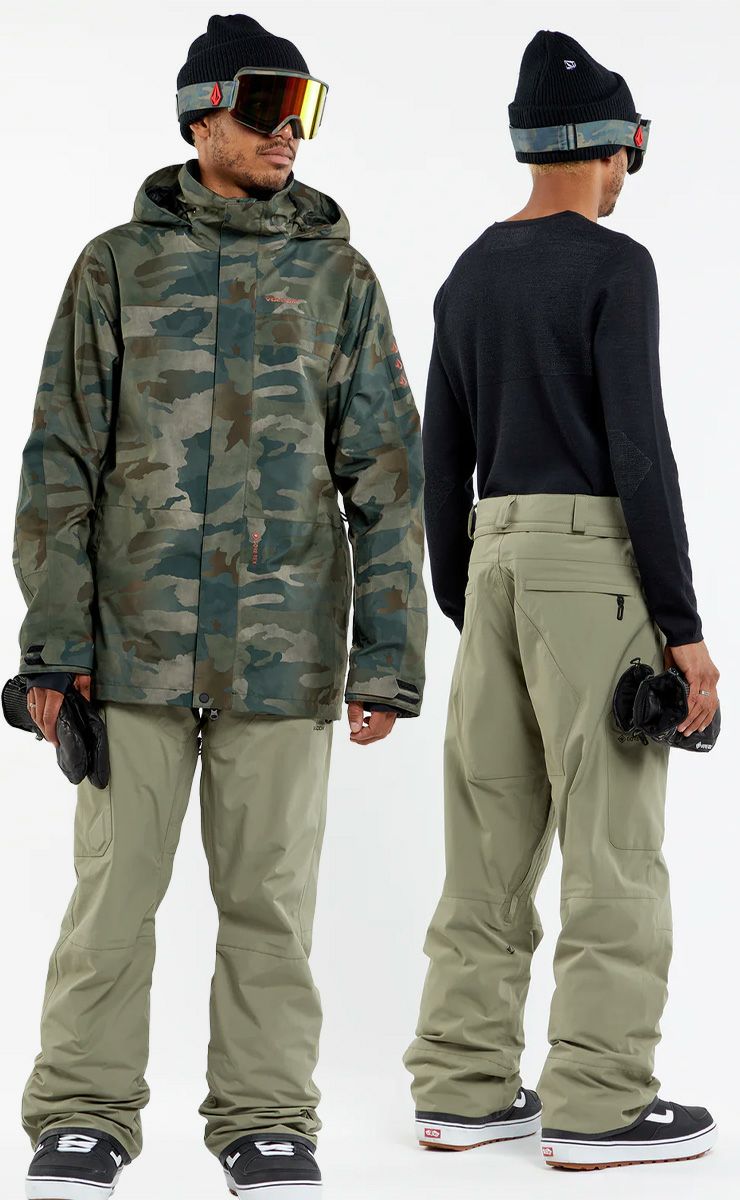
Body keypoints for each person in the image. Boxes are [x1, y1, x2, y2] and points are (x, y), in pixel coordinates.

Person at [14, 14, 426, 1199]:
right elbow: (59, 465)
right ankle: (82, 1117)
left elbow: (386, 477)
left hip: (283, 653)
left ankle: (265, 1121)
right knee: (114, 894)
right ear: (201, 121)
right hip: (128, 650)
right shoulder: (115, 268)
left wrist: (385, 660)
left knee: (270, 905)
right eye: (264, 111)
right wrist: (53, 651)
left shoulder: (339, 278)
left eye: (303, 111)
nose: (287, 134)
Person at [403, 29, 719, 1171]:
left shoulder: (467, 273)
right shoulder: (613, 267)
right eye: (632, 147)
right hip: (591, 571)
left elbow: (440, 460)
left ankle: (460, 1090)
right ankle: (598, 1102)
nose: (629, 171)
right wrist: (682, 629)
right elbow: (640, 452)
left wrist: (468, 597)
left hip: (486, 562)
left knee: (486, 846)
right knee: (611, 846)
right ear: (607, 146)